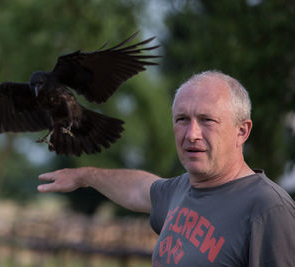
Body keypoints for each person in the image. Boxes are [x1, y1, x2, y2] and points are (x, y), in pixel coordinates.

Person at [37, 70, 295, 266]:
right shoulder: (180, 190)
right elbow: (139, 188)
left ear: (242, 131)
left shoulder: (268, 208)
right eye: (182, 119)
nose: (192, 134)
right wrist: (84, 176)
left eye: (207, 120)